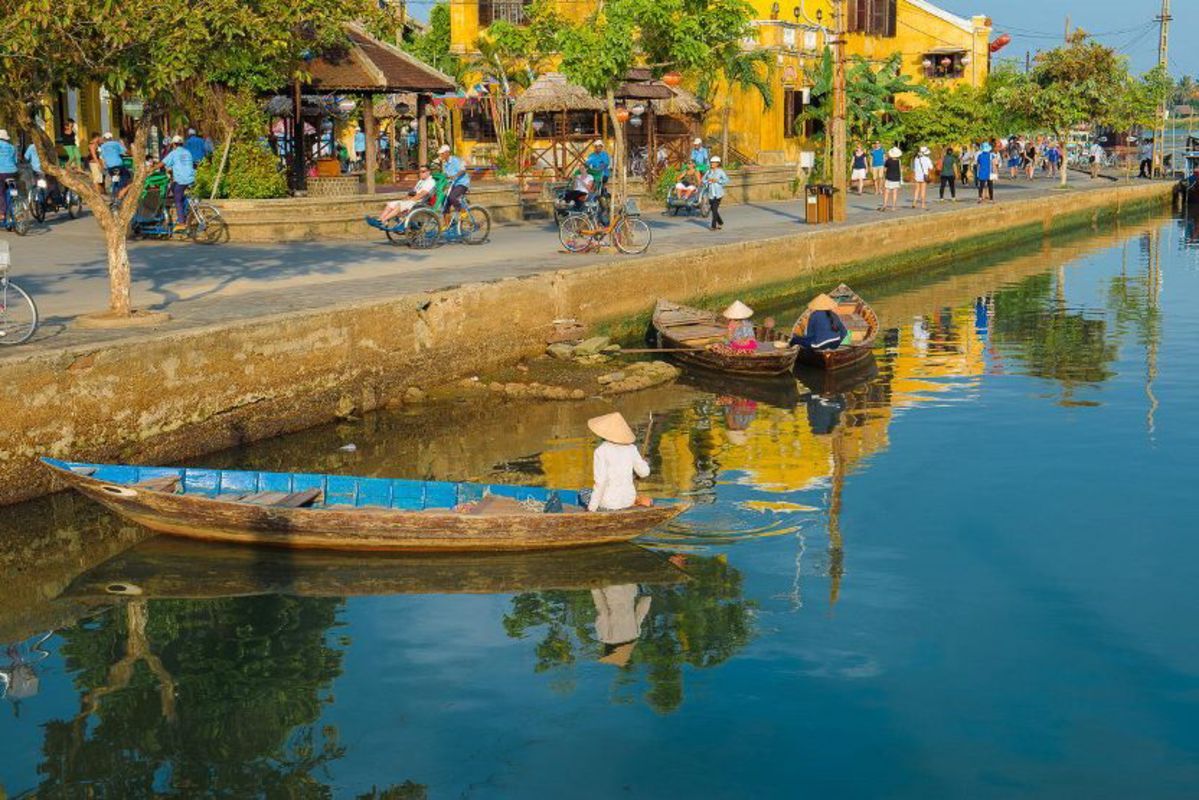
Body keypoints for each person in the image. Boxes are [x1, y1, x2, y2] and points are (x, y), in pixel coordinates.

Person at [586, 412, 650, 512]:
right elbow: (644, 473)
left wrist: (591, 510)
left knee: (583, 493)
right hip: (628, 501)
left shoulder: (601, 451)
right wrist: (644, 463)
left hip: (609, 505)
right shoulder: (631, 449)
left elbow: (601, 482)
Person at [161, 135, 196, 230]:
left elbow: (163, 163)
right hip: (191, 178)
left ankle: (181, 222)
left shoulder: (174, 153)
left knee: (177, 199)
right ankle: (185, 203)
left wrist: (151, 169)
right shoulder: (187, 152)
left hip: (182, 180)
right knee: (173, 186)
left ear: (173, 144)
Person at [437, 143, 470, 226]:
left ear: (447, 153)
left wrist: (454, 176)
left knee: (452, 197)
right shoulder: (445, 164)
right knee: (444, 202)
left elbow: (463, 170)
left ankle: (463, 211)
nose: (441, 155)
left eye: (442, 153)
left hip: (462, 183)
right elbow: (446, 175)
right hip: (453, 185)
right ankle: (447, 225)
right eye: (440, 154)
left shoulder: (456, 160)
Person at [98, 132, 129, 199]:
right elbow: (125, 151)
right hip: (118, 164)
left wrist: (102, 166)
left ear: (104, 138)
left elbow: (101, 157)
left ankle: (114, 195)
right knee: (126, 175)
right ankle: (121, 191)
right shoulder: (116, 143)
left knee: (115, 180)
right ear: (111, 138)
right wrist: (123, 144)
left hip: (110, 167)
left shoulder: (102, 146)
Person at [705, 155, 728, 230]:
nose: (712, 164)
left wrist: (718, 181)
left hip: (718, 194)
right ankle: (720, 222)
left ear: (717, 163)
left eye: (714, 163)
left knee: (714, 209)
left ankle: (713, 226)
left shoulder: (720, 172)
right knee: (713, 209)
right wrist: (708, 181)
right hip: (711, 193)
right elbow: (703, 180)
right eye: (711, 162)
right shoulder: (708, 172)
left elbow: (726, 180)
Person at [0, 130, 18, 222]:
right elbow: (15, 161)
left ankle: (2, 213)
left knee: (1, 192)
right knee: (13, 191)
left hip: (1, 173)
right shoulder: (12, 147)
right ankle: (17, 208)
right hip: (13, 172)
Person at [911, 146, 934, 210]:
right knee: (923, 190)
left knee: (917, 189)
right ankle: (923, 204)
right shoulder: (927, 159)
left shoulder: (916, 158)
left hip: (917, 175)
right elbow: (931, 167)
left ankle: (914, 203)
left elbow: (914, 168)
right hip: (924, 176)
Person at [880, 146, 902, 211]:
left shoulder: (888, 161)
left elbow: (884, 169)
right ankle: (893, 207)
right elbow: (900, 169)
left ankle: (884, 205)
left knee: (887, 191)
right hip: (896, 178)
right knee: (895, 192)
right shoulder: (899, 161)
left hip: (889, 177)